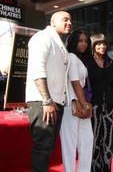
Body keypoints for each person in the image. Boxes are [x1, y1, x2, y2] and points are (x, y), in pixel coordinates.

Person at [25, 11, 72, 171]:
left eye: (70, 20)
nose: (69, 23)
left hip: (55, 102)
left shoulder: (59, 42)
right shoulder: (43, 37)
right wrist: (46, 100)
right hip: (43, 102)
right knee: (43, 148)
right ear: (52, 22)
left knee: (48, 147)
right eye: (65, 20)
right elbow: (37, 70)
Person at [60, 30, 94, 172]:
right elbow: (75, 83)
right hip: (71, 105)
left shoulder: (79, 59)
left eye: (86, 41)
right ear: (74, 42)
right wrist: (85, 104)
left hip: (81, 105)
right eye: (80, 41)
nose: (84, 44)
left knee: (87, 141)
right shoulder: (72, 57)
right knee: (69, 146)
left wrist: (85, 104)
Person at [88, 33, 113, 172]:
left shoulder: (110, 62)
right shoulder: (87, 62)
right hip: (93, 106)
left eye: (104, 43)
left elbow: (112, 83)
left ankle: (106, 169)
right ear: (93, 45)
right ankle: (93, 169)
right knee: (93, 140)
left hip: (110, 105)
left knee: (108, 140)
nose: (102, 46)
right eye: (98, 44)